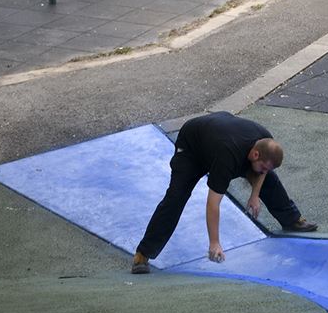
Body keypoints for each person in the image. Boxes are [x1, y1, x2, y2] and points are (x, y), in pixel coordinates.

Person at [131, 112, 318, 274]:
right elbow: (213, 203)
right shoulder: (227, 156)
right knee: (176, 197)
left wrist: (254, 195)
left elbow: (265, 170)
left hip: (219, 131)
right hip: (192, 149)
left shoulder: (266, 142)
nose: (263, 171)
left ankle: (292, 219)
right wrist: (214, 242)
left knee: (269, 179)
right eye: (262, 166)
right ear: (254, 154)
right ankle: (143, 254)